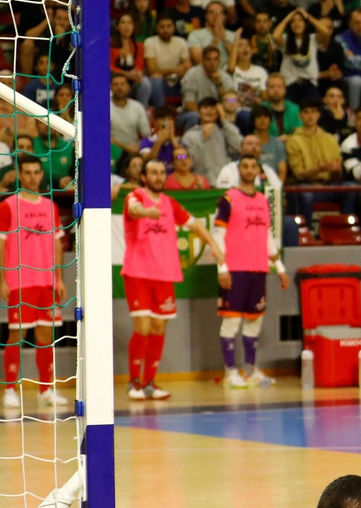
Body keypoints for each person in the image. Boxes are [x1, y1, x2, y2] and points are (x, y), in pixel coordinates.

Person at [121, 159, 223, 400]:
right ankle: (134, 382)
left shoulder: (169, 203)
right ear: (143, 177)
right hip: (138, 273)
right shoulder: (135, 197)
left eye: (161, 173)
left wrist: (214, 245)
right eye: (153, 173)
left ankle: (149, 382)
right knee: (143, 327)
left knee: (158, 328)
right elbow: (134, 210)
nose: (158, 177)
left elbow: (195, 224)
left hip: (164, 275)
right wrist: (147, 212)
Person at [0, 155, 68, 411]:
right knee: (17, 335)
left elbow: (57, 243)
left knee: (46, 335)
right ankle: (10, 389)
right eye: (28, 172)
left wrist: (58, 278)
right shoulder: (7, 206)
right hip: (20, 281)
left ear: (42, 175)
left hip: (46, 282)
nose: (33, 177)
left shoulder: (50, 206)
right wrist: (2, 279)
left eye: (36, 172)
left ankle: (46, 390)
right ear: (20, 175)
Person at [213, 156, 289, 388]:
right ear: (239, 170)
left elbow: (267, 235)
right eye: (244, 166)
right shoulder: (228, 198)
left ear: (258, 170)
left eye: (252, 166)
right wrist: (222, 268)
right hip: (235, 269)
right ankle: (229, 373)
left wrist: (280, 267)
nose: (248, 170)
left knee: (254, 322)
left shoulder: (263, 200)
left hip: (258, 269)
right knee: (231, 323)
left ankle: (250, 370)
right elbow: (218, 235)